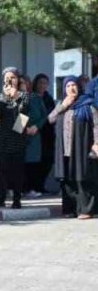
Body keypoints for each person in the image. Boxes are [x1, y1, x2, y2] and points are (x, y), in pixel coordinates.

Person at [48, 76, 98, 219]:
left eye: (74, 85)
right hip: (65, 149)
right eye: (68, 85)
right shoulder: (61, 105)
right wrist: (63, 105)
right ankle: (71, 209)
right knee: (67, 179)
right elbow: (50, 119)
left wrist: (96, 144)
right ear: (64, 89)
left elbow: (96, 125)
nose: (71, 88)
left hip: (82, 148)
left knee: (82, 178)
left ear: (79, 87)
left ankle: (86, 210)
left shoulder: (88, 105)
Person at [0, 67, 40, 209]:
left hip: (18, 137)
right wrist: (6, 98)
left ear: (18, 80)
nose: (10, 80)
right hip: (2, 137)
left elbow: (23, 116)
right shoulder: (2, 96)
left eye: (13, 77)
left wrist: (15, 97)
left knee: (17, 170)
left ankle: (17, 199)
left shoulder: (25, 95)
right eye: (7, 78)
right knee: (0, 169)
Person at [28, 74, 56, 196]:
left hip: (47, 133)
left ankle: (39, 186)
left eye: (45, 83)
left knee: (47, 161)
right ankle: (30, 188)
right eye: (40, 83)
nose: (42, 85)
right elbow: (23, 116)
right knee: (32, 162)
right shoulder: (30, 98)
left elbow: (49, 115)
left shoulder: (48, 98)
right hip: (31, 134)